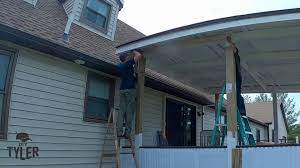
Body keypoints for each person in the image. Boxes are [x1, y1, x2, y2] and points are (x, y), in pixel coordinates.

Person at [117, 50, 143, 138]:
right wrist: (133, 51)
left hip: (122, 90)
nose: (129, 57)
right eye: (128, 56)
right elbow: (139, 55)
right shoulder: (128, 64)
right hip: (130, 90)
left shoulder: (120, 66)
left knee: (121, 111)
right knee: (129, 112)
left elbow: (130, 75)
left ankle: (119, 132)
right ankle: (127, 133)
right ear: (126, 58)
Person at [227, 37, 246, 116]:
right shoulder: (235, 57)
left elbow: (234, 48)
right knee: (235, 94)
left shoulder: (236, 56)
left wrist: (230, 42)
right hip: (236, 77)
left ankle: (241, 109)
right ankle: (240, 109)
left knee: (237, 94)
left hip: (237, 77)